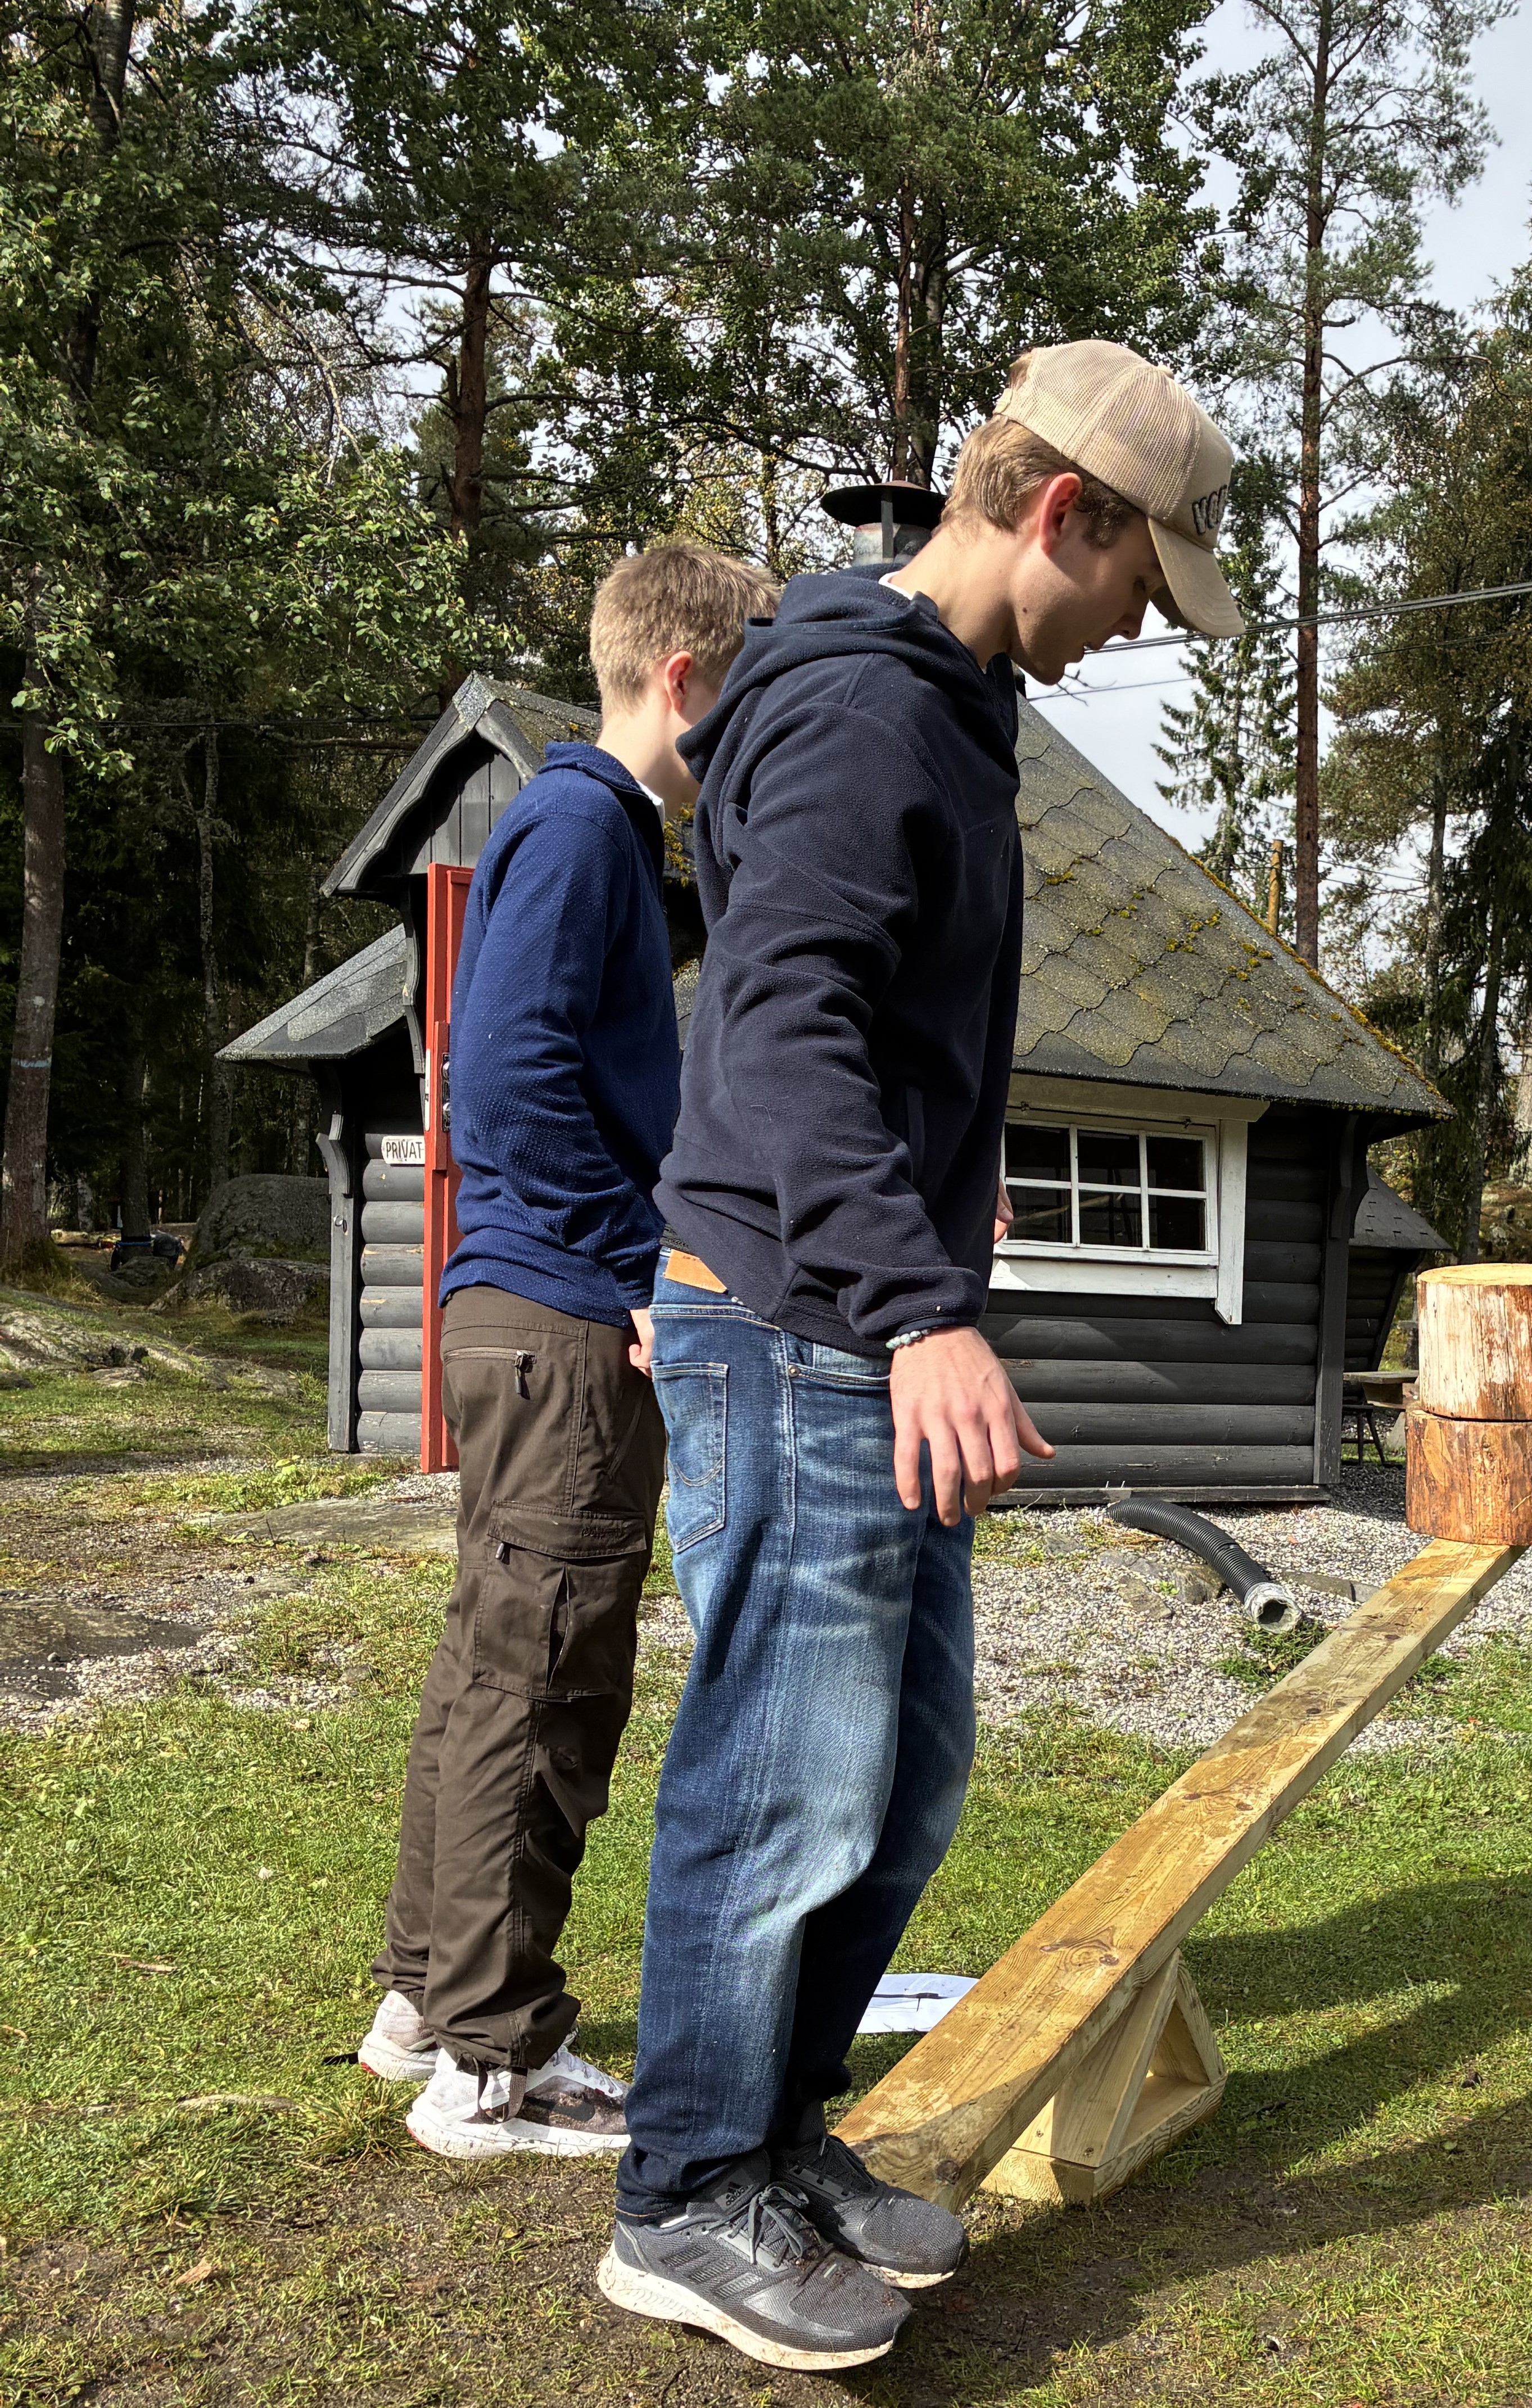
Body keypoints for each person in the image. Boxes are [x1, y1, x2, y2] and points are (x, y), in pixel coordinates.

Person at [595, 343, 1243, 2373]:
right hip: (797, 1326)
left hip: (836, 1321)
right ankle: (687, 2195)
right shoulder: (874, 703)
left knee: (899, 1784)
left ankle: (774, 2141)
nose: (1141, 623)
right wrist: (924, 1309)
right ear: (1064, 509)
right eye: (1140, 580)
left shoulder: (938, 702)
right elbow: (780, 1027)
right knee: (783, 1786)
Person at [357, 544, 780, 2161]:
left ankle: (425, 1996)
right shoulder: (588, 825)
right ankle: (496, 2062)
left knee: (492, 1661)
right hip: (561, 1322)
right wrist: (638, 1276)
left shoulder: (577, 831)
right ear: (684, 679)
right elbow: (506, 1081)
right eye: (748, 682)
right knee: (545, 1678)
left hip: (525, 1314)